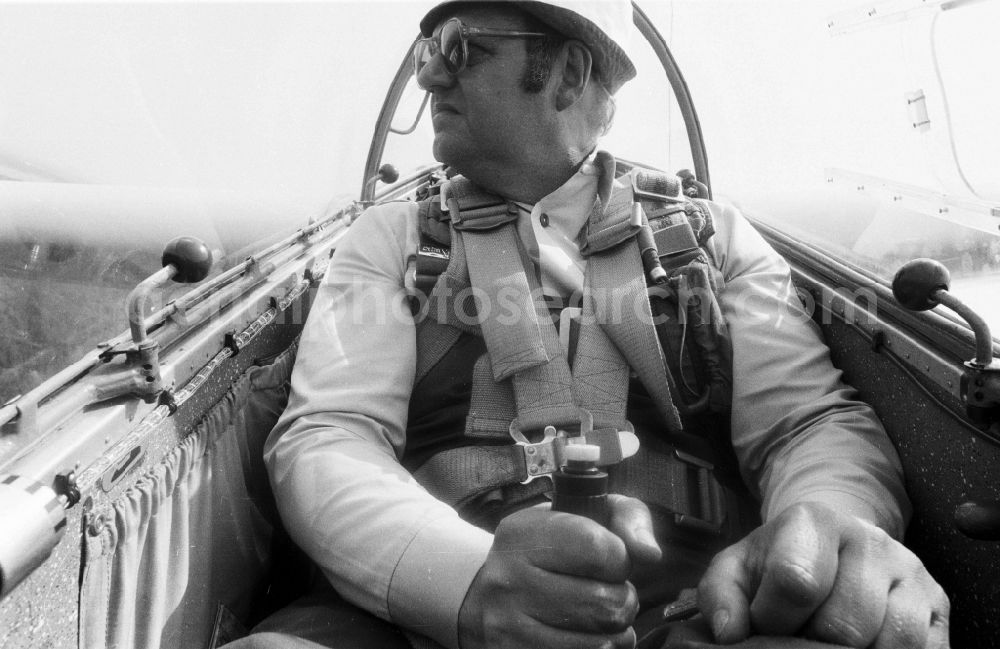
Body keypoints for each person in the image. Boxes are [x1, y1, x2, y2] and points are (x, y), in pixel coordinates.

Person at [230, 1, 951, 648]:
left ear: (568, 72)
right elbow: (330, 432)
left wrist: (819, 530)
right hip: (418, 608)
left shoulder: (712, 237)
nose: (428, 79)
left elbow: (806, 424)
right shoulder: (390, 238)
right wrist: (462, 582)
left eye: (458, 46)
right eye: (424, 52)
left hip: (695, 606)